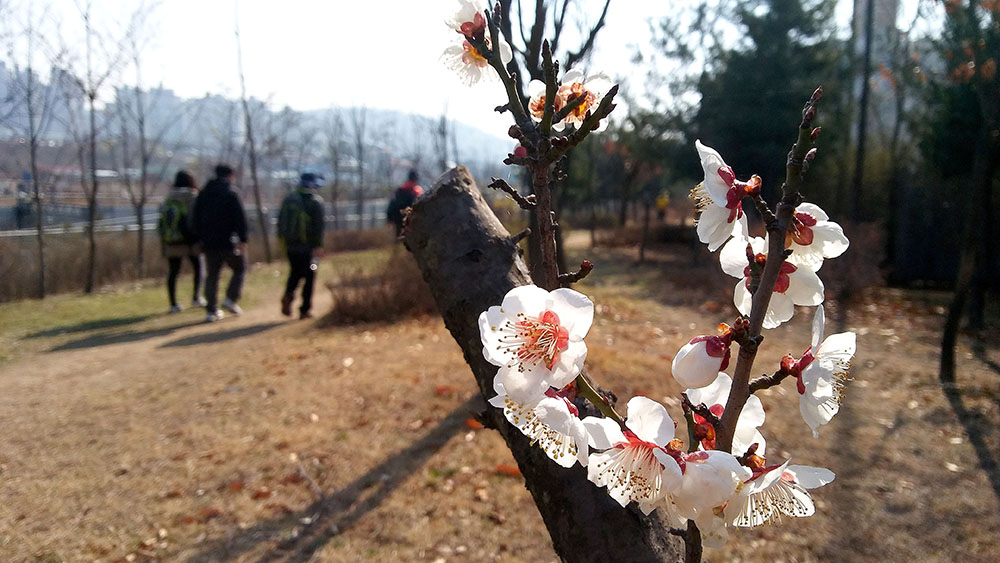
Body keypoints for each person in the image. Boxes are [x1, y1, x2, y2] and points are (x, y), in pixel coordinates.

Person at [191, 164, 248, 322]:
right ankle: (230, 298)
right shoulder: (231, 193)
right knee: (240, 268)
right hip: (228, 241)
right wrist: (242, 239)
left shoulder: (203, 193)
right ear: (230, 175)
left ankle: (211, 310)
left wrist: (198, 238)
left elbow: (195, 218)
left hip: (208, 243)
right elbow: (239, 218)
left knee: (212, 275)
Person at [278, 172, 325, 319]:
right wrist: (318, 246)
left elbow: (280, 222)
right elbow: (318, 227)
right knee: (310, 274)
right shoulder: (315, 201)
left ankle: (288, 295)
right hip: (309, 249)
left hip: (291, 247)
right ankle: (305, 309)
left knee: (295, 272)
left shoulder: (289, 199)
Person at [157, 170, 205, 313]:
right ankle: (196, 298)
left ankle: (173, 304)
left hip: (172, 239)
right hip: (191, 239)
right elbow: (197, 217)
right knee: (198, 267)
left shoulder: (169, 198)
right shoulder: (193, 196)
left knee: (173, 271)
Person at [386, 169, 423, 237]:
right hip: (413, 220)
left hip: (399, 219)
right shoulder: (417, 191)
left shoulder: (400, 190)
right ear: (416, 179)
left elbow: (392, 204)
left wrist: (389, 218)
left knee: (400, 238)